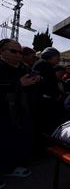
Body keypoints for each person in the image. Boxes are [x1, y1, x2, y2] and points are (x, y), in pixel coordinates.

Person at [0, 39, 40, 185]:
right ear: (2, 51)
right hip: (4, 114)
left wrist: (36, 78)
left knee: (14, 141)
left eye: (20, 52)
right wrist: (18, 84)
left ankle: (10, 167)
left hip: (20, 114)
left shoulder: (23, 68)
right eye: (13, 51)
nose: (18, 55)